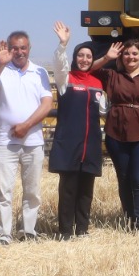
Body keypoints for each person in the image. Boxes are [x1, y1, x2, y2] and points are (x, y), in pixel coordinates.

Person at [0, 30, 54, 244]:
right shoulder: (1, 70)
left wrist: (26, 126)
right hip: (6, 141)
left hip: (33, 141)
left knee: (32, 191)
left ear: (29, 48)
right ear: (8, 49)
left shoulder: (40, 72)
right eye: (14, 48)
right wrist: (0, 64)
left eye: (23, 48)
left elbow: (47, 104)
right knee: (3, 191)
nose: (19, 52)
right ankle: (4, 233)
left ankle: (28, 231)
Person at [91, 38, 139, 230]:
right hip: (116, 134)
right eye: (127, 53)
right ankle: (129, 219)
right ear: (121, 57)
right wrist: (107, 57)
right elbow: (89, 70)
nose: (131, 57)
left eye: (135, 53)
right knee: (124, 178)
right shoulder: (112, 75)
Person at [50, 23, 106, 238]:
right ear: (75, 58)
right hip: (69, 144)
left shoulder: (97, 83)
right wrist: (63, 44)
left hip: (90, 145)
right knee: (68, 189)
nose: (84, 59)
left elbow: (103, 110)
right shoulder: (66, 79)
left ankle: (82, 229)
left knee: (86, 191)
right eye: (80, 55)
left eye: (88, 56)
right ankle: (65, 231)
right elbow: (59, 64)